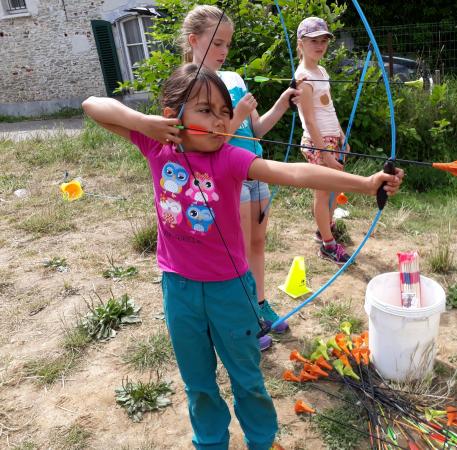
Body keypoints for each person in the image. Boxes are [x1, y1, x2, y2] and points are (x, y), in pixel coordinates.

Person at [82, 64, 404, 450]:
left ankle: (261, 441)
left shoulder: (231, 157)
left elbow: (297, 173)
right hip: (179, 290)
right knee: (198, 383)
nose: (219, 120)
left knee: (247, 379)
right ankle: (210, 442)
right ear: (172, 117)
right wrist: (144, 123)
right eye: (205, 110)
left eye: (224, 111)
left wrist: (367, 185)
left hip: (231, 291)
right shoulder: (157, 145)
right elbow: (92, 104)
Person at [180, 5, 300, 348]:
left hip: (254, 170)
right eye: (217, 43)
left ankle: (260, 304)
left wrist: (282, 103)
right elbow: (207, 142)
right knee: (237, 252)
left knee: (258, 244)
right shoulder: (191, 86)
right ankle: (246, 315)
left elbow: (257, 131)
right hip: (227, 177)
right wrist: (240, 113)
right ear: (194, 41)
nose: (224, 51)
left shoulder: (232, 78)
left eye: (228, 44)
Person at [295, 16, 353, 265]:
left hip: (331, 139)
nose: (320, 46)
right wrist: (325, 152)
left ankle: (324, 230)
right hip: (318, 142)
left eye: (323, 41)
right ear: (301, 44)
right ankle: (328, 246)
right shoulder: (304, 77)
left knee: (331, 191)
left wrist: (341, 135)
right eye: (313, 41)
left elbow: (329, 109)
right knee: (323, 193)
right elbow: (308, 119)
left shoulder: (322, 71)